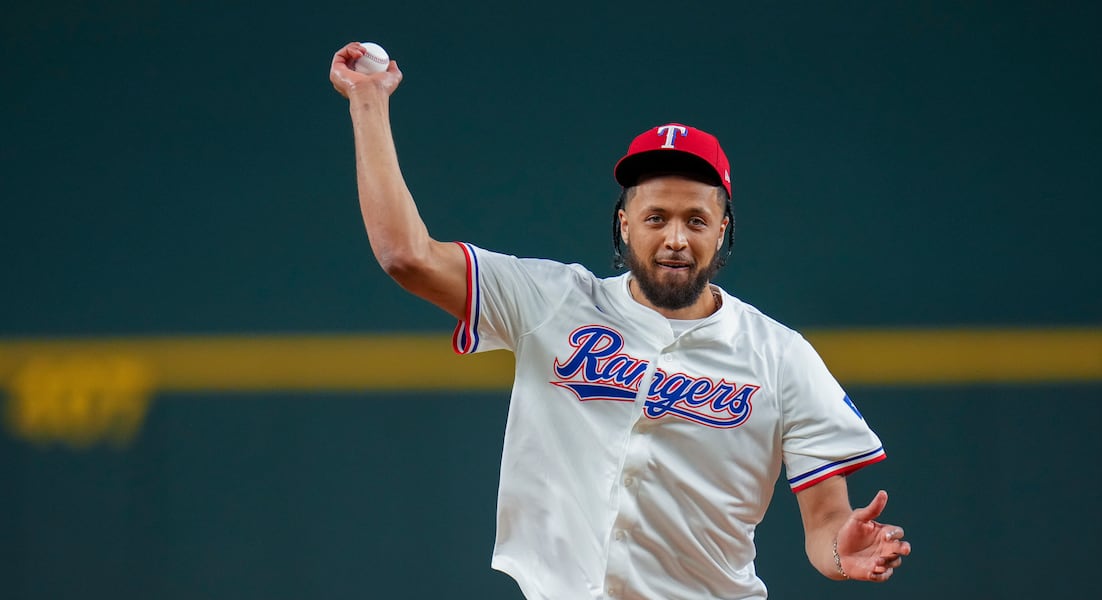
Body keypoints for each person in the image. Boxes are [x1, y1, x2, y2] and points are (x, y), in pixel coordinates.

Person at [329, 41, 911, 600]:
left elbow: (826, 522)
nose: (676, 238)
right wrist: (368, 102)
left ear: (722, 229)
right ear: (625, 224)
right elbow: (406, 256)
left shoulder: (781, 357)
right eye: (656, 217)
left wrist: (841, 552)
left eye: (696, 220)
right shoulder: (553, 302)